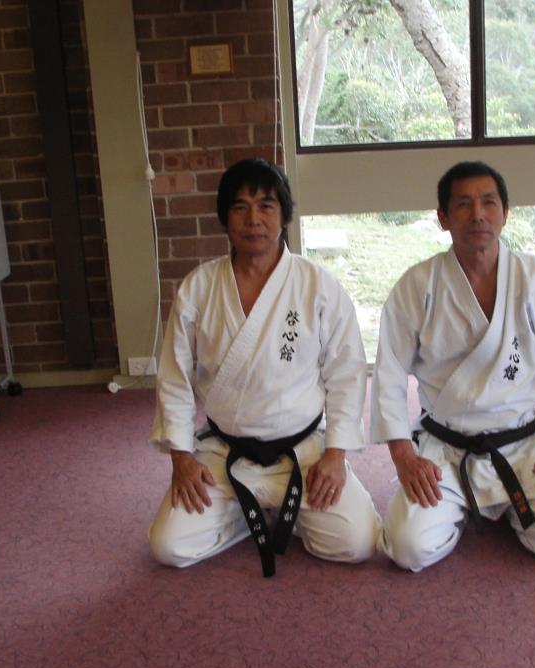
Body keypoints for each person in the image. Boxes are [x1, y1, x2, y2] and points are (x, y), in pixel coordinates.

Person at [148, 158, 380, 577]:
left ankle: (260, 507)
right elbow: (174, 378)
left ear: (284, 215)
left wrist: (335, 454)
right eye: (240, 207)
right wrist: (181, 459)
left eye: (266, 206)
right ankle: (244, 510)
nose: (253, 219)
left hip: (303, 450)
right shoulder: (199, 287)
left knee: (358, 542)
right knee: (169, 546)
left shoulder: (318, 285)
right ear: (225, 218)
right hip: (226, 452)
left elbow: (346, 374)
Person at [371, 160, 535, 571]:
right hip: (445, 448)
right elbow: (388, 374)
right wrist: (404, 457)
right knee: (408, 548)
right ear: (443, 217)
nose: (477, 214)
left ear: (505, 213)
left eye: (489, 202)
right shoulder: (418, 285)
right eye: (463, 204)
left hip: (522, 446)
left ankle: (502, 504)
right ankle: (468, 504)